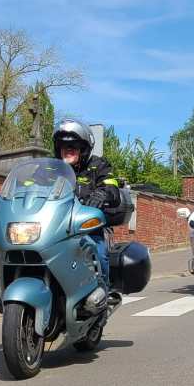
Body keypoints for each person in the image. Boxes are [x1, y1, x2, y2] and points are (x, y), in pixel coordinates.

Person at [52, 119, 122, 282]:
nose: (68, 150)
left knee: (99, 254)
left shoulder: (98, 165)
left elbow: (111, 188)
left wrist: (102, 194)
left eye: (73, 146)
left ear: (83, 149)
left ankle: (103, 288)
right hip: (55, 228)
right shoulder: (51, 168)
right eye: (64, 146)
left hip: (87, 229)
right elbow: (30, 185)